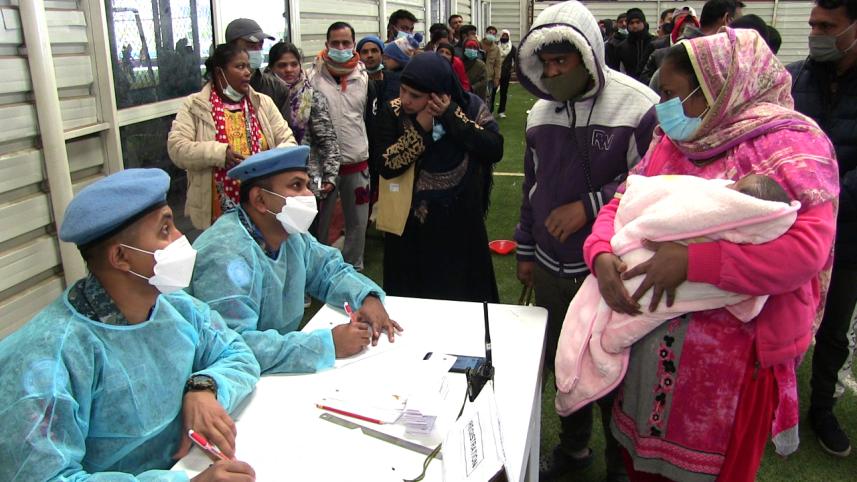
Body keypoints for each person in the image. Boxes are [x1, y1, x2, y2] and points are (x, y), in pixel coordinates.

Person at [588, 28, 838, 481]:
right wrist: (601, 251)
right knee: (641, 465)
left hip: (734, 368)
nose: (663, 106)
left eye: (672, 94)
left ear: (717, 87)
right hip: (650, 348)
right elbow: (623, 201)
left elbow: (805, 252)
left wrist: (694, 263)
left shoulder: (794, 146)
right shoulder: (673, 140)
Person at [0, 169, 261, 481]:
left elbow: (238, 353)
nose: (181, 239)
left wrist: (203, 387)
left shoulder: (174, 307)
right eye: (165, 230)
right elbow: (44, 477)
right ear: (121, 257)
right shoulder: (51, 357)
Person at [514, 2, 659, 479]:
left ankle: (620, 462)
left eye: (563, 61)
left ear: (589, 54)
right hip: (551, 265)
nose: (553, 72)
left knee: (615, 369)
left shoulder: (638, 104)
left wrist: (590, 205)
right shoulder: (539, 111)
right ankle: (574, 449)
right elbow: (531, 186)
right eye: (546, 63)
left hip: (611, 270)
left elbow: (653, 182)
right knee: (565, 364)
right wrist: (526, 248)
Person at [189, 146, 402, 374]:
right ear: (260, 199)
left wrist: (367, 297)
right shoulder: (225, 254)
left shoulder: (290, 235)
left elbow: (328, 269)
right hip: (220, 384)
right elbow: (231, 345)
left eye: (308, 185)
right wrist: (326, 345)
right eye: (296, 186)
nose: (309, 196)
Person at [373, 53, 503, 303]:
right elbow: (386, 165)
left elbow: (494, 148)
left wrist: (451, 115)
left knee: (461, 296)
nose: (406, 99)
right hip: (409, 228)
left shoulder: (469, 107)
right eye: (403, 90)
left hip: (459, 223)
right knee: (411, 299)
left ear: (439, 94)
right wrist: (422, 128)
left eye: (415, 95)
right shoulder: (393, 112)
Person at [787, 0, 857, 458]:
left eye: (827, 26)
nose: (815, 34)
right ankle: (775, 402)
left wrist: (821, 202)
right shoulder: (793, 79)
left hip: (847, 233)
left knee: (833, 329)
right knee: (779, 319)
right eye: (813, 24)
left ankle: (822, 410)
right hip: (790, 231)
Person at [168, 43, 296, 230]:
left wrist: (268, 161)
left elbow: (288, 141)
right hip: (216, 211)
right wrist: (219, 153)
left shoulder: (262, 103)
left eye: (248, 66)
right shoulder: (195, 105)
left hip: (262, 205)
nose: (248, 72)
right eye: (240, 66)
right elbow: (177, 148)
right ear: (219, 72)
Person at [307, 22, 371, 270]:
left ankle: (354, 268)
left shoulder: (363, 77)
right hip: (323, 167)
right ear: (327, 45)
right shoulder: (311, 78)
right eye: (336, 43)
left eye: (346, 43)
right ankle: (320, 270)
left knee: (358, 224)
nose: (341, 48)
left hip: (357, 162)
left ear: (354, 45)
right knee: (319, 224)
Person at [266, 41, 341, 204]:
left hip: (306, 178)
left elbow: (327, 139)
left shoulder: (310, 96)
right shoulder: (262, 97)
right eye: (282, 65)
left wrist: (330, 175)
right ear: (271, 68)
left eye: (294, 64)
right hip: (271, 177)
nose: (289, 70)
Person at [225, 18, 292, 123]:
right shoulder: (216, 88)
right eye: (251, 45)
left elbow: (284, 130)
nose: (257, 50)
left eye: (260, 45)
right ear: (231, 47)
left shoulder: (277, 88)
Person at [607, 8, 656, 82]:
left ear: (644, 23)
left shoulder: (655, 43)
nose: (635, 26)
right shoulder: (622, 47)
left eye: (638, 22)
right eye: (631, 23)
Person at [382, 33, 424, 101]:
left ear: (399, 58)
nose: (384, 61)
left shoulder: (395, 78)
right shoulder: (412, 73)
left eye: (388, 58)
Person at [495, 29, 516, 117]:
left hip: (506, 73)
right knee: (492, 92)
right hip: (495, 72)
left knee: (503, 92)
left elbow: (516, 59)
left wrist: (513, 69)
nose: (504, 37)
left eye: (506, 36)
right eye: (503, 35)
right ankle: (490, 110)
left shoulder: (512, 48)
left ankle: (501, 111)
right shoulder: (495, 45)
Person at [483, 26, 503, 112]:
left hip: (489, 77)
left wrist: (497, 78)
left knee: (488, 98)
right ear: (486, 33)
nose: (491, 35)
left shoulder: (496, 48)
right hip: (479, 77)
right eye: (490, 32)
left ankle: (487, 115)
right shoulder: (479, 44)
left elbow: (497, 65)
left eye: (494, 34)